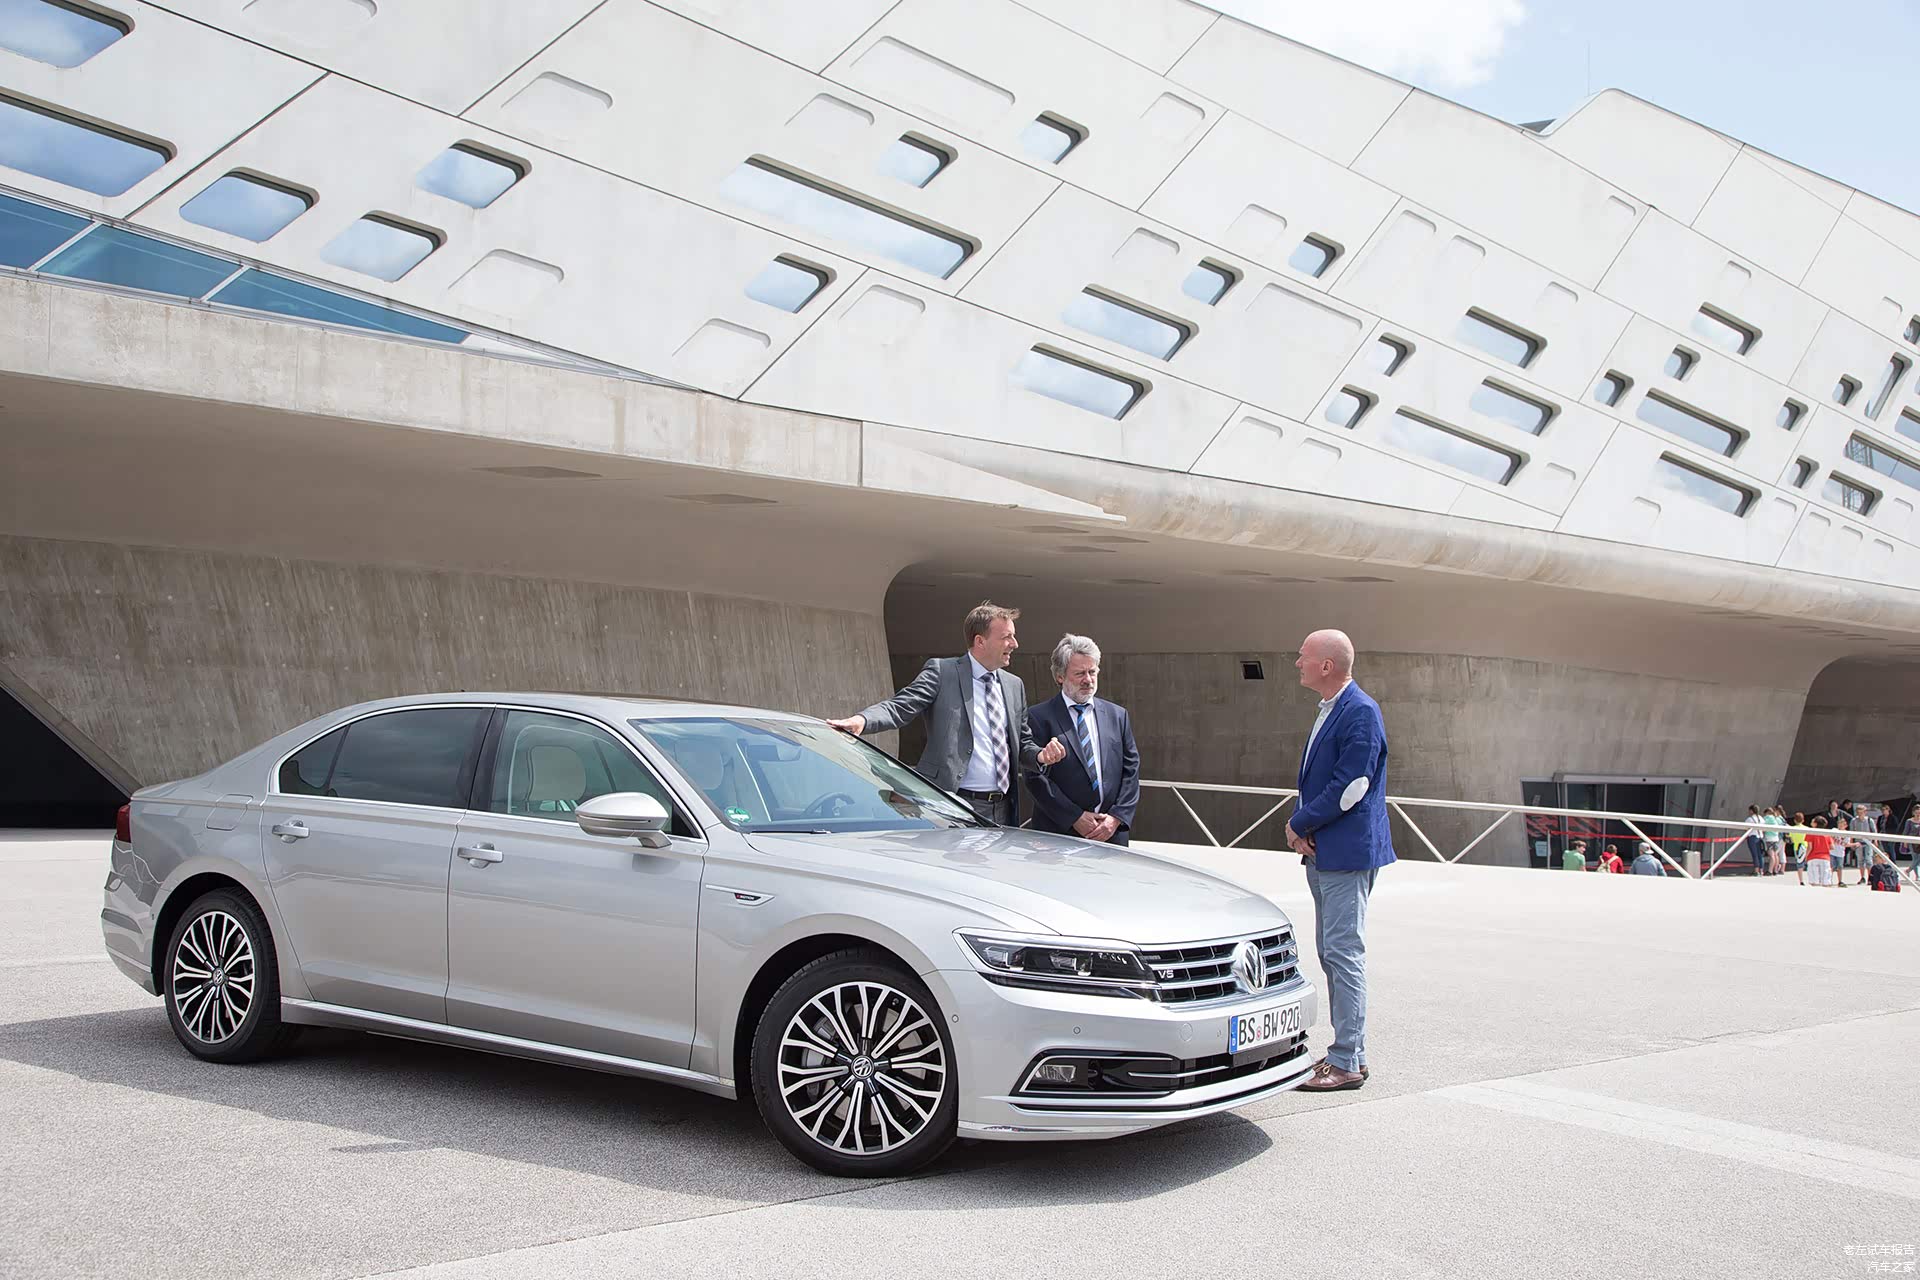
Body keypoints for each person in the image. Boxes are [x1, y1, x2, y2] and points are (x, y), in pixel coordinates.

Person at [828, 601, 1066, 825]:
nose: (1015, 644)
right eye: (1006, 637)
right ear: (980, 641)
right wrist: (862, 720)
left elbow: (1022, 743)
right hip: (953, 804)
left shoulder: (1014, 685)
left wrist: (1040, 756)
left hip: (1003, 809)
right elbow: (900, 706)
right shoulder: (943, 673)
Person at [1283, 629, 1394, 1093]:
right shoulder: (1333, 708)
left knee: (1343, 953)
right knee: (1332, 952)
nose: (1297, 663)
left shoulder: (1359, 711)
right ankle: (1350, 1053)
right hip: (1326, 849)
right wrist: (1306, 828)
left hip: (1346, 853)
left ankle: (1346, 1060)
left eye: (1303, 656)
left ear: (1326, 666)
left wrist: (1298, 822)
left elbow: (1352, 787)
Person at [1023, 634, 1141, 845]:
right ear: (1060, 676)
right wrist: (1074, 817)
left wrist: (1116, 818)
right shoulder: (1038, 717)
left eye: (1092, 672)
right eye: (1079, 673)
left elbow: (1131, 770)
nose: (1088, 680)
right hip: (1059, 835)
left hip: (1110, 834)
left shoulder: (1117, 715)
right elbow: (1035, 778)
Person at [1804, 817, 1833, 887]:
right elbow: (1832, 847)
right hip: (1825, 858)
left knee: (1814, 881)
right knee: (1826, 881)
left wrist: (1806, 856)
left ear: (1815, 824)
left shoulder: (1810, 832)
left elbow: (1810, 847)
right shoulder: (1827, 834)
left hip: (1813, 857)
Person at [1743, 805, 1767, 876]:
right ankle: (1761, 870)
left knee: (1755, 854)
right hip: (1760, 837)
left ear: (1751, 811)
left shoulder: (1750, 819)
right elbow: (1764, 828)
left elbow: (1745, 828)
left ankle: (1756, 870)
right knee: (1760, 855)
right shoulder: (1761, 818)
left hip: (1752, 837)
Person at [1788, 811, 1809, 885]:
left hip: (1797, 847)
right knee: (1808, 863)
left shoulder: (1792, 829)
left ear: (1794, 820)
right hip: (1806, 846)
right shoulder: (1807, 828)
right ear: (1803, 820)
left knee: (1799, 864)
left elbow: (1791, 840)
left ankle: (1801, 880)